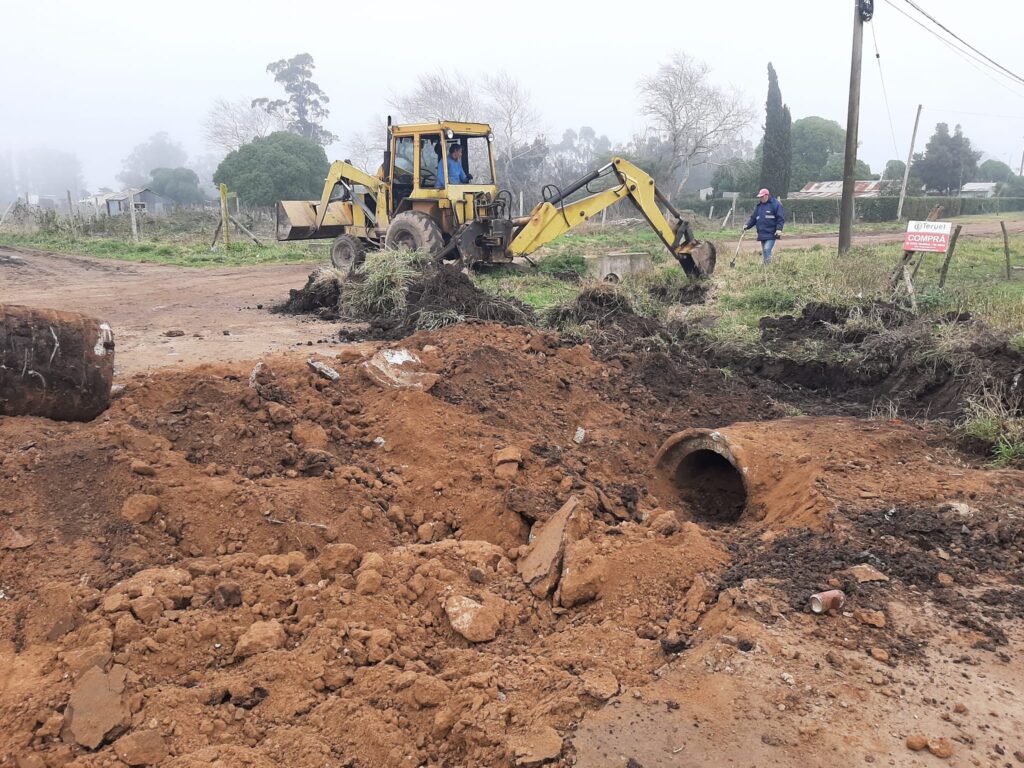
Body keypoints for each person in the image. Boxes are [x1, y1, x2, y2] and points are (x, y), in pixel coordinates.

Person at [744, 188, 785, 265]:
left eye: (762, 196)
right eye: (760, 197)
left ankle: (767, 267)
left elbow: (780, 218)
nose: (760, 198)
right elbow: (753, 218)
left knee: (767, 249)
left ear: (767, 196)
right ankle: (766, 266)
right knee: (765, 251)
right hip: (762, 233)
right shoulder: (759, 207)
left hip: (772, 233)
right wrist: (747, 225)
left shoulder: (776, 205)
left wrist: (779, 229)